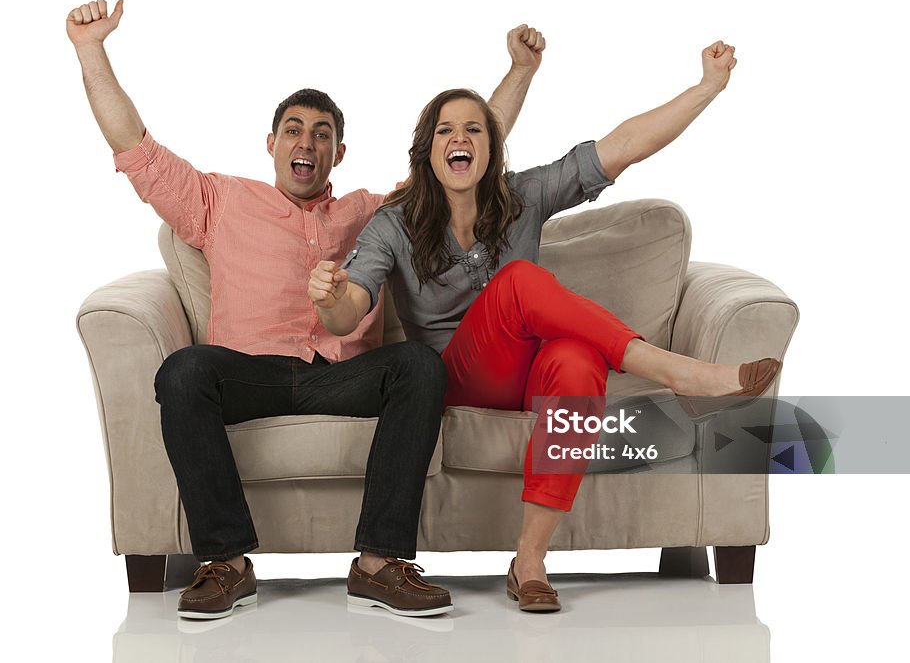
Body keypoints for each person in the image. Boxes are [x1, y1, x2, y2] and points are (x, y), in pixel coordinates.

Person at [67, 0, 545, 619]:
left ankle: (379, 563)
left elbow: (461, 161)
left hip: (342, 376)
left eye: (323, 134)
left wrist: (520, 73)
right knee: (182, 372)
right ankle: (226, 564)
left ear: (338, 154)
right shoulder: (218, 201)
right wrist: (90, 49)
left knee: (420, 367)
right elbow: (134, 145)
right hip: (251, 373)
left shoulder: (374, 214)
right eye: (293, 129)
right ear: (270, 143)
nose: (307, 143)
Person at [309, 40, 781, 612]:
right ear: (426, 152)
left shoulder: (521, 197)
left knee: (579, 362)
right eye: (445, 131)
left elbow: (624, 146)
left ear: (492, 148)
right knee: (521, 283)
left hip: (529, 376)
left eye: (475, 131)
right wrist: (331, 298)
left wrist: (706, 87)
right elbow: (348, 309)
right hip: (454, 378)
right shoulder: (395, 223)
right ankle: (675, 372)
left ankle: (529, 559)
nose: (460, 139)